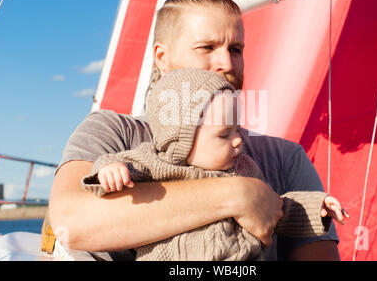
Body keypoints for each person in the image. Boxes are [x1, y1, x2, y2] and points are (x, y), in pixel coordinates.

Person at [49, 0, 342, 260]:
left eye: (235, 49)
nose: (226, 63)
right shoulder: (113, 133)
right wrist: (238, 195)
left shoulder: (285, 158)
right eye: (206, 47)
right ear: (161, 58)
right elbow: (71, 222)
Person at [79, 68, 348, 260]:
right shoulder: (155, 162)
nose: (237, 141)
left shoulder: (245, 169)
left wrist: (316, 208)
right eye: (224, 134)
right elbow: (122, 164)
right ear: (181, 139)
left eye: (237, 131)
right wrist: (109, 169)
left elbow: (275, 208)